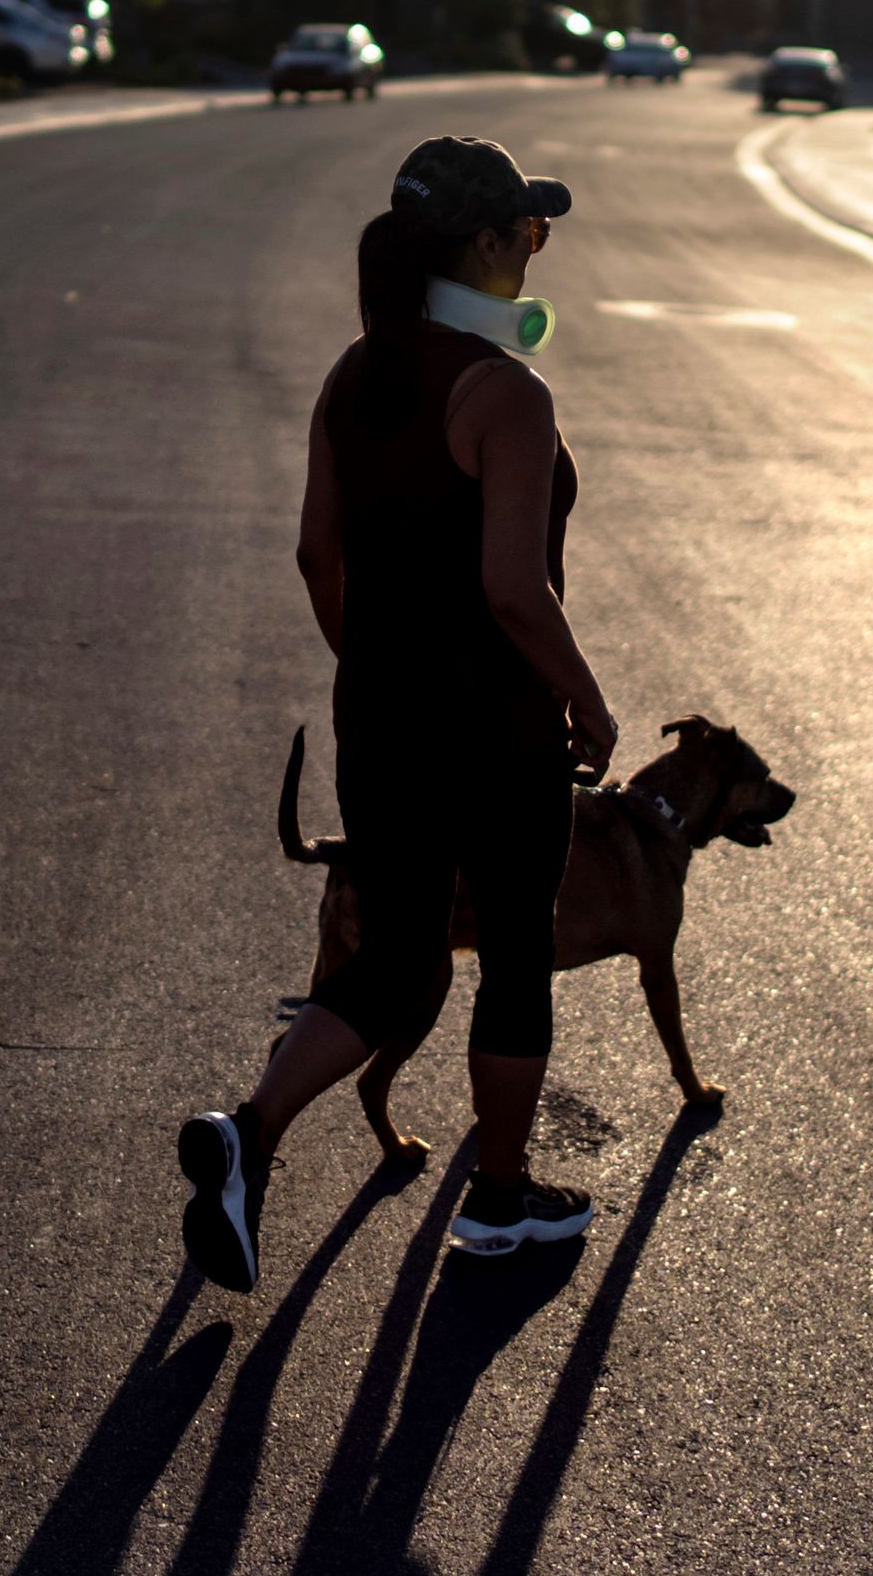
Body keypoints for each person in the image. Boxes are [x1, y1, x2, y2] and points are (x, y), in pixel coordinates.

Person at [176, 137, 616, 1289]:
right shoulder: (506, 394)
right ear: (482, 243)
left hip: (382, 723)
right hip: (503, 734)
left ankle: (249, 1132)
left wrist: (370, 665)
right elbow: (517, 590)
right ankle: (505, 1201)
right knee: (514, 952)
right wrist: (588, 696)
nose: (538, 246)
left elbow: (315, 551)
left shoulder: (354, 375)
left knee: (397, 959)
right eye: (528, 228)